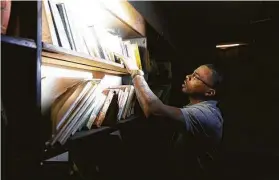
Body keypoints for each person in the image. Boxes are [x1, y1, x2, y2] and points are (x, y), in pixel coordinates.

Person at [121, 57, 224, 180]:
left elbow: (154, 109)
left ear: (209, 92)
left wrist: (136, 72)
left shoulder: (205, 114)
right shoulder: (201, 108)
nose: (187, 76)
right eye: (191, 73)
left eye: (195, 77)